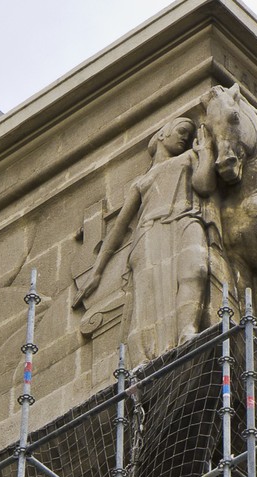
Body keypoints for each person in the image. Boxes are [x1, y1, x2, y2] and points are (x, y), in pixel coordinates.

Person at [75, 115, 215, 360]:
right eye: (181, 130)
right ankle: (146, 355)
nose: (185, 137)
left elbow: (203, 186)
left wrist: (205, 154)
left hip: (185, 218)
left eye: (189, 134)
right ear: (162, 134)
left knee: (196, 269)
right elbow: (118, 229)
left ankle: (187, 331)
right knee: (147, 296)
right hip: (150, 232)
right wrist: (97, 271)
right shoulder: (141, 181)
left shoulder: (190, 157)